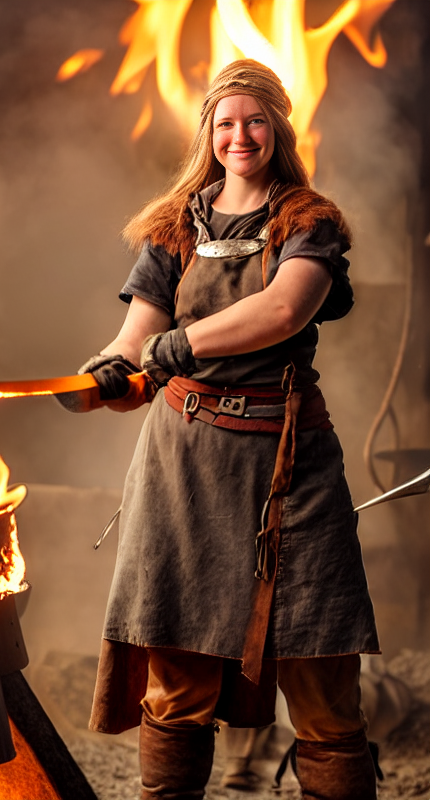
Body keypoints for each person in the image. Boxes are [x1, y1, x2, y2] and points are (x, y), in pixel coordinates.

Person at [75, 59, 380, 800]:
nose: (239, 135)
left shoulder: (309, 221)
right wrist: (106, 376)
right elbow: (138, 340)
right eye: (225, 122)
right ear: (208, 134)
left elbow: (283, 309)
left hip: (288, 471)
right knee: (176, 681)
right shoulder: (172, 226)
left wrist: (184, 345)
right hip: (184, 466)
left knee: (320, 671)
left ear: (277, 128)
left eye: (254, 120)